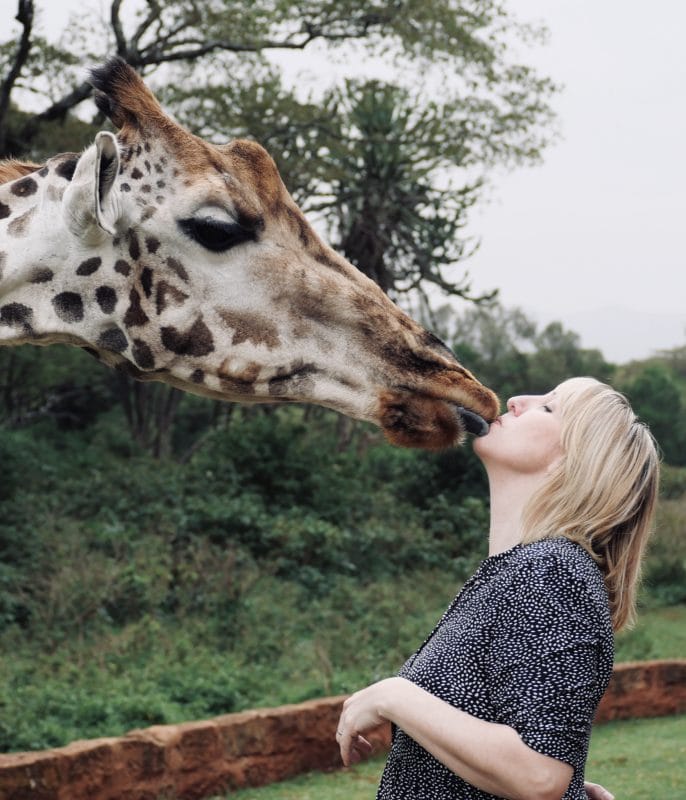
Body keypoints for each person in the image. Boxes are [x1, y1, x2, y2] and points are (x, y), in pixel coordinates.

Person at [336, 377, 659, 800]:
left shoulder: (551, 572)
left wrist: (395, 697)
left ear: (572, 463)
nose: (516, 401)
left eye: (548, 408)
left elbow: (540, 776)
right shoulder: (514, 571)